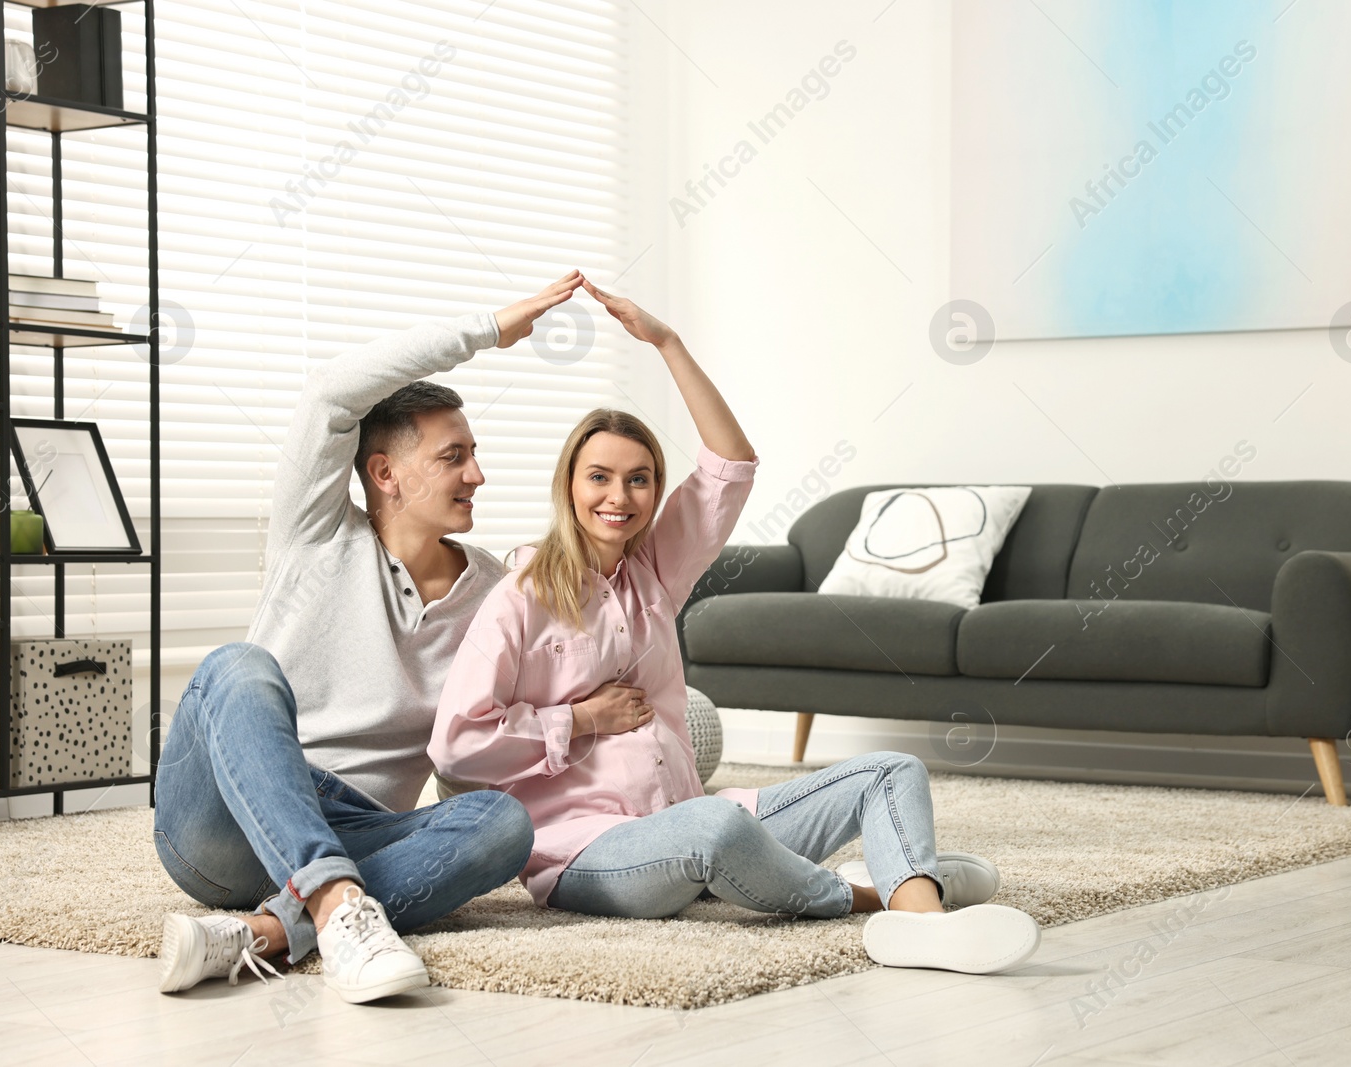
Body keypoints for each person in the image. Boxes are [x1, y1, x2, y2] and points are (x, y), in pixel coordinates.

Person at [430, 278, 1041, 975]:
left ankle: (922, 920)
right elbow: (456, 746)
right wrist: (582, 719)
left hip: (687, 809)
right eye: (599, 476)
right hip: (586, 852)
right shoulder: (519, 598)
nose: (618, 497)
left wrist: (668, 343)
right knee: (717, 827)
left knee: (890, 771)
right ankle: (875, 893)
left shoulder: (656, 570)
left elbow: (730, 466)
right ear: (569, 484)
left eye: (639, 480)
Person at [152, 273, 589, 1003]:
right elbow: (331, 390)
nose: (478, 474)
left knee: (502, 822)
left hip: (360, 829)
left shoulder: (496, 594)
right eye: (454, 457)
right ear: (384, 472)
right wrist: (485, 327)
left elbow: (487, 741)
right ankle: (335, 905)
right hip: (224, 823)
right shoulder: (316, 530)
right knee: (238, 666)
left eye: (474, 454)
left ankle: (270, 930)